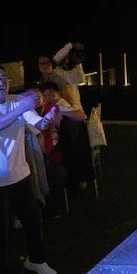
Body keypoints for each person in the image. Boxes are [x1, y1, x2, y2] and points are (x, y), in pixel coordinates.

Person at [0, 64, 58, 274]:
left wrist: (48, 120)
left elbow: (37, 123)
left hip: (20, 175)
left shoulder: (17, 102)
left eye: (4, 78)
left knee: (33, 221)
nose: (0, 83)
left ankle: (36, 260)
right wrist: (24, 105)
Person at [38, 79, 87, 217]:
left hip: (56, 150)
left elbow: (81, 115)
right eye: (45, 94)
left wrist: (62, 113)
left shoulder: (60, 105)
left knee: (56, 172)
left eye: (51, 94)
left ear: (58, 94)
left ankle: (51, 206)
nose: (48, 97)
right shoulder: (41, 107)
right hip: (46, 148)